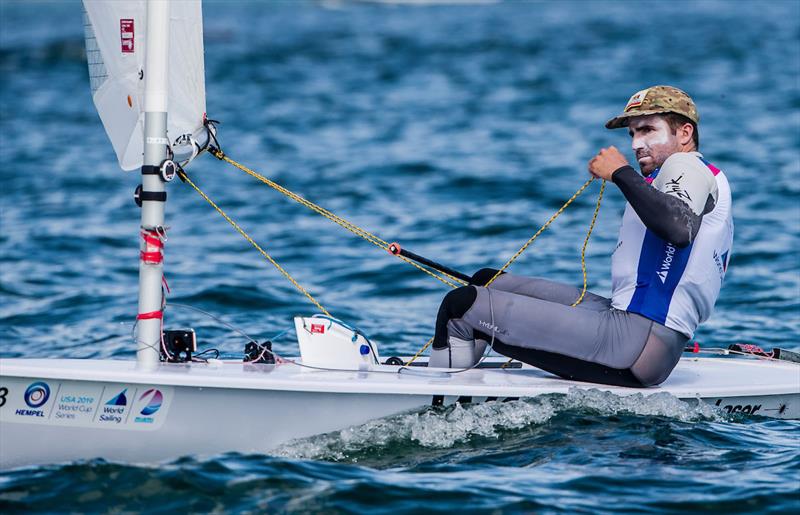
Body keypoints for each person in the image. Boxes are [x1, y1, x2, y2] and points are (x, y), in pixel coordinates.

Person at [429, 85, 734, 387]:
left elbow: (678, 229)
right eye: (632, 134)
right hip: (636, 332)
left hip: (636, 344)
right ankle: (465, 371)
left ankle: (436, 394)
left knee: (461, 306)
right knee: (486, 281)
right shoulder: (683, 177)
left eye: (648, 130)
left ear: (684, 134)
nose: (637, 143)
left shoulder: (687, 165)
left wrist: (619, 172)